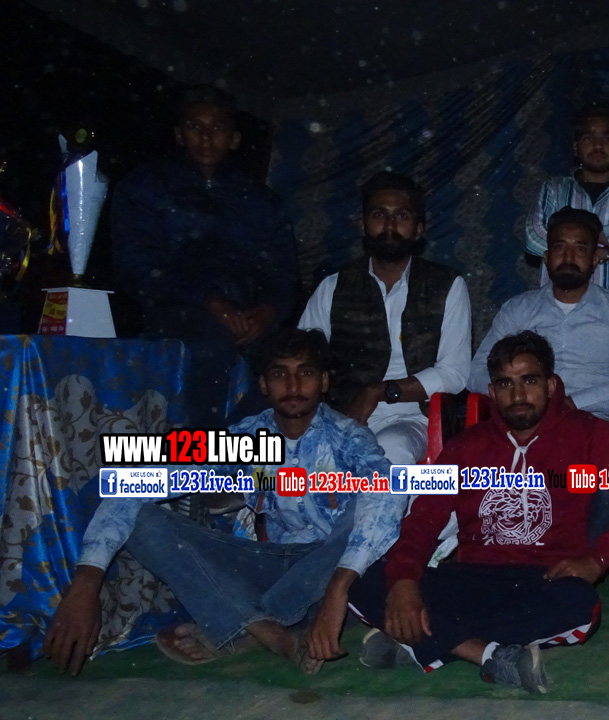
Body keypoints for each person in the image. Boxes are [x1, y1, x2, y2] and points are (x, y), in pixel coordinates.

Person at [44, 329, 404, 676]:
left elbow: (386, 494)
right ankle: (268, 632)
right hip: (266, 567)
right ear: (263, 385)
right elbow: (136, 485)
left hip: (325, 579)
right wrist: (86, 583)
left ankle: (241, 623)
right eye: (280, 374)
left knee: (369, 506)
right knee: (142, 518)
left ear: (323, 382)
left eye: (306, 373)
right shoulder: (245, 437)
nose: (293, 386)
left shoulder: (348, 438)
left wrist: (338, 588)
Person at [348, 331, 609, 693]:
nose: (518, 394)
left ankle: (420, 641)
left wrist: (599, 559)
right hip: (472, 577)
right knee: (365, 581)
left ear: (551, 385)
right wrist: (403, 582)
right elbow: (422, 520)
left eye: (530, 380)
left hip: (544, 578)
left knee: (581, 608)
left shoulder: (590, 434)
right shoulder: (465, 446)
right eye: (505, 384)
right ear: (492, 392)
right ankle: (486, 655)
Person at [111, 86, 296, 426]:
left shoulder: (259, 200)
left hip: (247, 313)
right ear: (179, 135)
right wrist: (207, 299)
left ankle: (237, 440)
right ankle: (200, 450)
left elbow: (282, 270)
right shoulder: (147, 186)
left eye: (218, 127)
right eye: (195, 126)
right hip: (175, 310)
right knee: (213, 343)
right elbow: (135, 264)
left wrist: (267, 311)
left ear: (235, 139)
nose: (206, 137)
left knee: (293, 361)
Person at [298, 171, 470, 466]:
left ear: (418, 229)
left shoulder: (447, 286)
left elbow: (454, 374)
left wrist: (378, 391)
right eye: (379, 215)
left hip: (413, 417)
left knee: (390, 450)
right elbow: (303, 359)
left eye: (401, 216)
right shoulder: (334, 287)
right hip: (342, 415)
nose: (390, 226)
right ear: (363, 224)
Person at [472, 208, 609, 431]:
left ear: (594, 260)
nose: (569, 257)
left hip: (592, 420)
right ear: (547, 258)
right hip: (525, 419)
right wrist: (525, 398)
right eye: (560, 247)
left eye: (580, 249)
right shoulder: (518, 309)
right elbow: (477, 372)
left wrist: (575, 403)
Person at [524, 101, 609, 297]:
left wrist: (594, 237)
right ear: (576, 148)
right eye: (589, 138)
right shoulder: (554, 189)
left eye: (608, 138)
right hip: (557, 308)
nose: (598, 145)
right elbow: (533, 239)